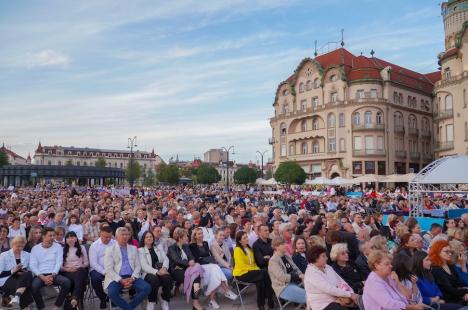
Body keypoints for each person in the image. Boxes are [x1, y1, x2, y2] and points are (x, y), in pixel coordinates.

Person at [103, 227, 151, 310]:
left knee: (147, 288)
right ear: (116, 237)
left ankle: (129, 307)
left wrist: (133, 278)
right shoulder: (110, 250)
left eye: (127, 235)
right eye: (123, 235)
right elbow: (109, 269)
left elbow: (138, 266)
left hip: (132, 276)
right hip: (116, 277)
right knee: (112, 293)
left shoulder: (133, 248)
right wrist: (120, 280)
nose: (125, 237)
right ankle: (129, 308)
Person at [189, 227, 237, 309]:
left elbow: (207, 256)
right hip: (200, 266)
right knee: (216, 268)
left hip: (209, 265)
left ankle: (212, 300)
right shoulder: (192, 245)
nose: (201, 235)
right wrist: (206, 259)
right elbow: (197, 259)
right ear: (195, 236)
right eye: (199, 234)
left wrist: (205, 258)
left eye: (202, 233)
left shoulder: (205, 243)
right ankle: (226, 290)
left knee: (216, 273)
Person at [304, 245, 359, 310]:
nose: (327, 258)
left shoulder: (327, 267)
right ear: (316, 258)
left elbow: (341, 281)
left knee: (359, 304)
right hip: (322, 304)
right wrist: (349, 295)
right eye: (323, 256)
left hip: (337, 298)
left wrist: (351, 292)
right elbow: (329, 289)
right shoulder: (311, 273)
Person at [30, 227, 71, 310]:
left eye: (53, 235)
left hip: (54, 273)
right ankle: (41, 307)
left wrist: (53, 275)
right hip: (40, 275)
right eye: (50, 235)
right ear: (43, 236)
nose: (53, 237)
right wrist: (42, 277)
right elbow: (32, 265)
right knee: (34, 286)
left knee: (66, 282)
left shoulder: (58, 247)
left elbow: (59, 262)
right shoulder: (35, 249)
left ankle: (57, 305)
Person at [233, 230, 274, 310]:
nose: (247, 239)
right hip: (241, 273)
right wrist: (256, 270)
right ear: (240, 241)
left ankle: (261, 304)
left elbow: (254, 263)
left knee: (260, 280)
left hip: (251, 272)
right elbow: (242, 266)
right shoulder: (237, 250)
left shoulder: (249, 248)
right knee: (265, 273)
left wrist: (257, 269)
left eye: (246, 237)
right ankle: (269, 298)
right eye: (244, 238)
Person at [167, 228, 203, 310]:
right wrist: (188, 263)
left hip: (188, 268)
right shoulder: (171, 248)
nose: (187, 238)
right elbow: (176, 260)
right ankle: (195, 303)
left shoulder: (186, 246)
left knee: (196, 277)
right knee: (195, 279)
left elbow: (191, 256)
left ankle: (195, 302)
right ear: (180, 238)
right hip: (176, 270)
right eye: (186, 236)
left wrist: (191, 261)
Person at [138, 231, 172, 310]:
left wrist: (164, 268)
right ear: (143, 239)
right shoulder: (140, 250)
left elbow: (166, 259)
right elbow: (144, 266)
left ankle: (164, 299)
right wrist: (156, 272)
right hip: (148, 273)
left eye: (151, 236)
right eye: (147, 237)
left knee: (167, 278)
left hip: (161, 270)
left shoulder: (158, 247)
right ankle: (151, 301)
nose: (149, 238)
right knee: (154, 280)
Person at [268, 236, 306, 305]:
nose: (285, 245)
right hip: (283, 287)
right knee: (309, 297)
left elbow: (295, 267)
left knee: (315, 291)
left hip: (294, 282)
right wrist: (298, 276)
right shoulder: (273, 260)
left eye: (285, 243)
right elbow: (282, 277)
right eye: (282, 244)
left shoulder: (286, 255)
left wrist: (301, 275)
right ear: (276, 247)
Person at [429, 239, 468, 304]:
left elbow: (459, 283)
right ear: (438, 252)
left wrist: (466, 292)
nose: (450, 254)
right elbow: (449, 290)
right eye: (447, 252)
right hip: (448, 300)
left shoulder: (450, 265)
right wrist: (466, 291)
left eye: (451, 252)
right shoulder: (436, 269)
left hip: (458, 296)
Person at [0, 236, 34, 309]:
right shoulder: (4, 255)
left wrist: (23, 271)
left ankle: (17, 296)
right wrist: (13, 271)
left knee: (27, 274)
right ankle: (18, 297)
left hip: (23, 278)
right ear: (12, 245)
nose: (20, 248)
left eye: (22, 246)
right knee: (25, 287)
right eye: (18, 246)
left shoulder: (27, 255)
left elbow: (31, 269)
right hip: (7, 279)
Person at [89, 225, 116, 309]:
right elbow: (93, 263)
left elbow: (117, 257)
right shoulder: (94, 245)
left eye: (109, 237)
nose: (108, 239)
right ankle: (103, 298)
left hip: (112, 268)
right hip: (98, 269)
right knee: (95, 279)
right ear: (100, 235)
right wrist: (104, 272)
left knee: (118, 276)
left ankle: (114, 298)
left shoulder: (114, 243)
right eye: (105, 237)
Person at [60, 231, 89, 309]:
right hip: (67, 272)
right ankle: (77, 301)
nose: (70, 239)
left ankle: (74, 299)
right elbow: (60, 267)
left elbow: (86, 263)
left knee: (80, 272)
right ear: (65, 239)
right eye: (68, 237)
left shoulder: (81, 248)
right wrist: (68, 269)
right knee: (81, 281)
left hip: (79, 270)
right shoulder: (62, 250)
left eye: (72, 237)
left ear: (76, 239)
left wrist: (77, 267)